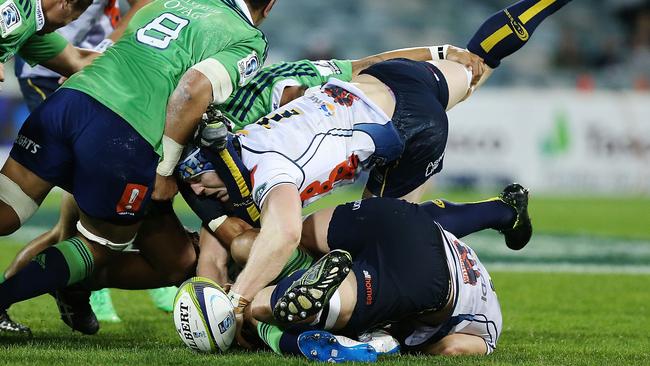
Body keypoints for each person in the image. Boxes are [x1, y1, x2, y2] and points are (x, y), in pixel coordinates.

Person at [0, 0, 277, 335]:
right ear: (270, 4)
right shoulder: (248, 39)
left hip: (71, 100)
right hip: (125, 132)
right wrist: (164, 171)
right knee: (100, 245)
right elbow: (193, 89)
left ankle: (63, 289)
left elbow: (120, 49)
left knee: (8, 211)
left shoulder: (171, 3)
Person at [249, 196, 506, 361]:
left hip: (403, 218)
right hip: (422, 276)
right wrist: (403, 346)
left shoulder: (470, 260)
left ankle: (250, 253)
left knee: (294, 235)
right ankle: (310, 315)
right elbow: (453, 348)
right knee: (261, 308)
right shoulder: (490, 329)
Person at [0, 0, 100, 86]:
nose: (66, 24)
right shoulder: (18, 13)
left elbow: (78, 61)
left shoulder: (35, 27)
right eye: (72, 19)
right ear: (65, 2)